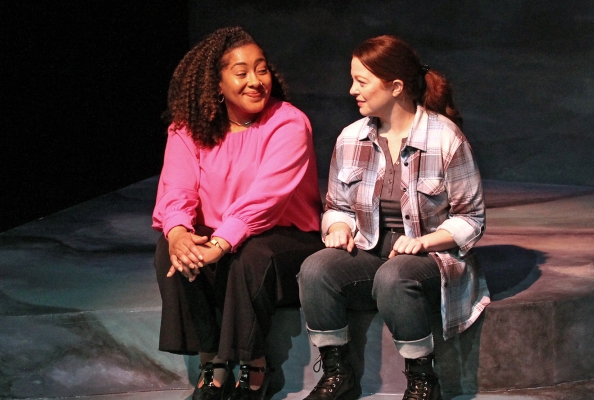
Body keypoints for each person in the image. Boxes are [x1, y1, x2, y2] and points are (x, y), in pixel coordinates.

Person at [298, 35, 490, 400]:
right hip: (373, 249)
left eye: (362, 81)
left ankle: (423, 379)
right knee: (316, 268)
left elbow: (471, 219)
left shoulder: (445, 139)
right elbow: (336, 206)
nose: (352, 90)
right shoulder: (350, 138)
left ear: (396, 86)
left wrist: (423, 241)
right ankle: (338, 372)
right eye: (353, 80)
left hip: (433, 259)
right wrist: (338, 226)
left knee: (394, 274)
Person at [152, 26, 323, 400]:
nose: (256, 81)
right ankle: (211, 363)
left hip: (286, 236)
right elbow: (177, 189)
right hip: (221, 236)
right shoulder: (187, 129)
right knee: (171, 250)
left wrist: (220, 243)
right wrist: (179, 232)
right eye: (242, 72)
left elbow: (266, 198)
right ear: (217, 83)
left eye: (261, 70)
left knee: (250, 255)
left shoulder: (288, 122)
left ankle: (253, 364)